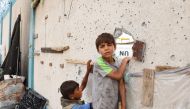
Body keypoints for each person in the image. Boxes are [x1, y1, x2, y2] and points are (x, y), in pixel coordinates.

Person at [92, 33, 130, 109]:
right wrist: (124, 61)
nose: (106, 48)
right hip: (101, 104)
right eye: (102, 46)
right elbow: (118, 75)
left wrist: (123, 106)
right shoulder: (99, 63)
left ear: (114, 47)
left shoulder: (117, 62)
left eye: (109, 45)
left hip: (113, 103)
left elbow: (121, 84)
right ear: (98, 50)